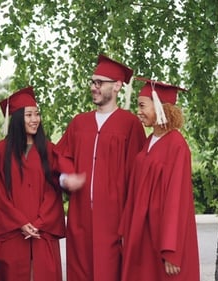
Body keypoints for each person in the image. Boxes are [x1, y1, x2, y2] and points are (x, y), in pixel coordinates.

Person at [55, 54, 146, 281]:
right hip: (80, 217)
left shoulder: (130, 124)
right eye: (92, 82)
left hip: (115, 220)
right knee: (80, 272)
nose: (94, 87)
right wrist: (67, 177)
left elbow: (137, 177)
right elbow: (61, 155)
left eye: (99, 83)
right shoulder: (79, 122)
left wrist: (129, 224)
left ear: (116, 86)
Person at [118, 78, 200, 281]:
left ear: (160, 107)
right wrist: (126, 228)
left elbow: (177, 202)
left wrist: (171, 249)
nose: (138, 111)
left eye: (142, 105)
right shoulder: (149, 142)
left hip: (161, 240)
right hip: (143, 234)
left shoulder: (176, 145)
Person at [0, 86, 66, 281]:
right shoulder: (1, 150)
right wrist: (20, 222)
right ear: (18, 118)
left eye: (37, 114)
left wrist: (40, 222)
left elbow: (54, 190)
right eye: (29, 115)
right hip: (10, 233)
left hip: (41, 233)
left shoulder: (49, 150)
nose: (34, 119)